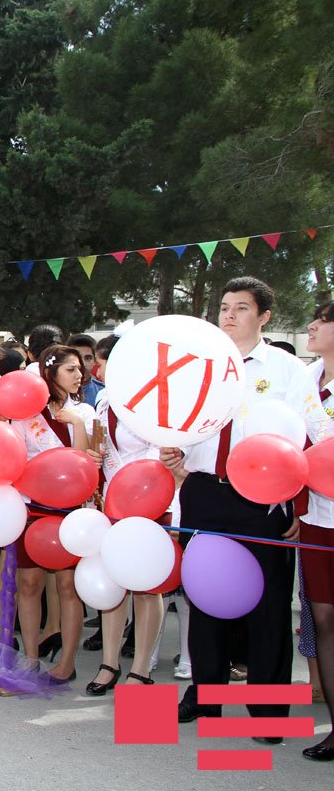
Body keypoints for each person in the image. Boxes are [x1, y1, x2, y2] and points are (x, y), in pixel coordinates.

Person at [164, 277, 304, 732]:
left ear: (263, 316)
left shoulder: (286, 369)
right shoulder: (197, 365)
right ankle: (205, 696)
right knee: (205, 599)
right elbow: (179, 422)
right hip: (205, 490)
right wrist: (175, 452)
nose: (228, 315)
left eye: (241, 308)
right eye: (224, 306)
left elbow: (312, 438)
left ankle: (267, 713)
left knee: (268, 608)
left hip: (263, 498)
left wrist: (297, 505)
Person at [11, 344, 101, 683]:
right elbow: (17, 457)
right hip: (32, 504)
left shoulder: (87, 413)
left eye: (80, 369)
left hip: (70, 508)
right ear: (50, 374)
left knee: (68, 586)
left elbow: (83, 464)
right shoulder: (25, 413)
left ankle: (67, 661)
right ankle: (31, 654)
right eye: (71, 369)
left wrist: (76, 422)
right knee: (29, 582)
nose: (79, 375)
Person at [87, 334, 168, 694]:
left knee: (146, 585)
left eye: (101, 362)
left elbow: (163, 450)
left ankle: (140, 669)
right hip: (112, 501)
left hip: (149, 499)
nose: (95, 369)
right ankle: (109, 662)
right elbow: (100, 447)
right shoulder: (104, 401)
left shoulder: (154, 400)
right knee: (114, 579)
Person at [287, 300, 334, 761]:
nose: (313, 325)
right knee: (322, 618)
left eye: (322, 320)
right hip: (319, 518)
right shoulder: (305, 380)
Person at [67, 334, 104, 408]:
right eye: (78, 357)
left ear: (94, 361)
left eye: (88, 358)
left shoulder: (103, 393)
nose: (83, 364)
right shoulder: (57, 393)